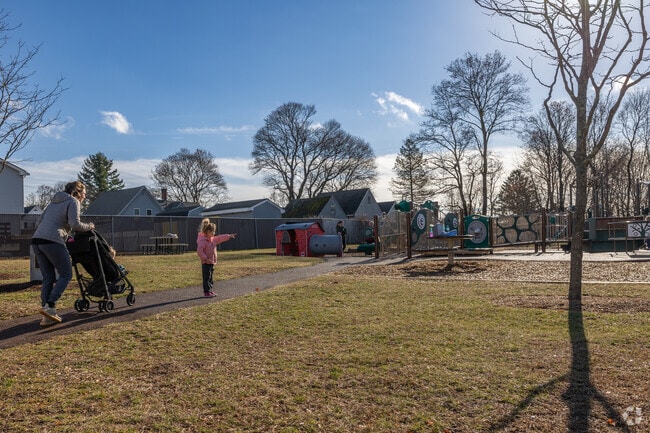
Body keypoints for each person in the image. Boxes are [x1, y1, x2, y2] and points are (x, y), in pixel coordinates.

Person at [31, 181, 95, 327]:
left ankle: (47, 314)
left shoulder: (53, 202)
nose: (84, 197)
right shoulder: (73, 201)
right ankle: (50, 304)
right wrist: (90, 226)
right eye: (84, 193)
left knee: (48, 277)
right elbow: (76, 225)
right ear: (77, 192)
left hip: (37, 240)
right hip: (52, 241)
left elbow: (38, 222)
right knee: (66, 274)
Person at [196, 220, 236, 298]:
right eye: (213, 231)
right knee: (206, 277)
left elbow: (220, 238)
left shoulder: (213, 239)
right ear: (208, 231)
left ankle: (210, 290)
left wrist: (228, 236)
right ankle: (206, 292)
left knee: (210, 277)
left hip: (212, 262)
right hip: (206, 263)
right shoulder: (203, 241)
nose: (214, 233)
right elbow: (199, 251)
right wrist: (205, 258)